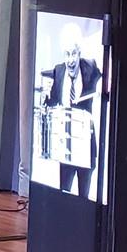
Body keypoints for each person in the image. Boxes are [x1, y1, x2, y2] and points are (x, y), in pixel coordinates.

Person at [40, 23, 103, 198]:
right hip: (65, 148)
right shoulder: (58, 71)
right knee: (64, 195)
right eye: (67, 54)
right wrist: (46, 97)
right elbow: (51, 102)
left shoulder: (89, 68)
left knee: (84, 198)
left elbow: (105, 77)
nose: (70, 60)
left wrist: (101, 85)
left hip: (86, 148)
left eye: (74, 53)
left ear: (79, 53)